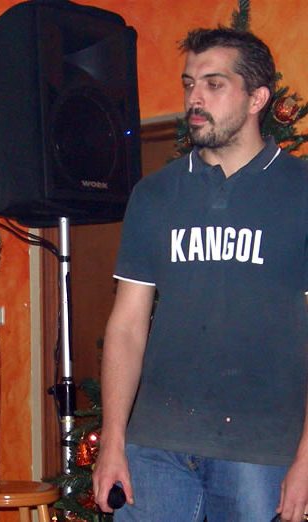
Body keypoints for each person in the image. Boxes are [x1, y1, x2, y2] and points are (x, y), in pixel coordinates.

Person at [92, 28, 308, 522]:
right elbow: (127, 326)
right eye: (190, 83)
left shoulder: (300, 190)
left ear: (257, 98)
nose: (194, 98)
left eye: (214, 84)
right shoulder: (154, 195)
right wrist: (113, 440)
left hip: (261, 450)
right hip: (155, 446)